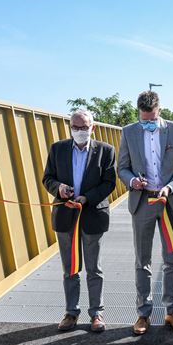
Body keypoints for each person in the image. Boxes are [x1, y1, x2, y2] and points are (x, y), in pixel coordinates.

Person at [117, 91, 173, 335]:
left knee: (172, 260)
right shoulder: (128, 132)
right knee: (143, 260)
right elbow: (123, 168)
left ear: (159, 111)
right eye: (143, 119)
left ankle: (172, 312)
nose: (146, 123)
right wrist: (132, 182)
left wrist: (170, 187)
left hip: (169, 202)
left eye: (150, 118)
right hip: (143, 203)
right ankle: (143, 314)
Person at [43, 110, 116, 333]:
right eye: (76, 127)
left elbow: (109, 183)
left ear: (92, 127)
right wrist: (59, 188)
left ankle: (96, 313)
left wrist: (88, 198)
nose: (80, 131)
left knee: (94, 268)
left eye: (84, 127)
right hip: (66, 215)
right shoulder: (57, 149)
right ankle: (71, 313)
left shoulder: (106, 150)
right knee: (70, 268)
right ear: (70, 128)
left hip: (92, 214)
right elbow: (47, 178)